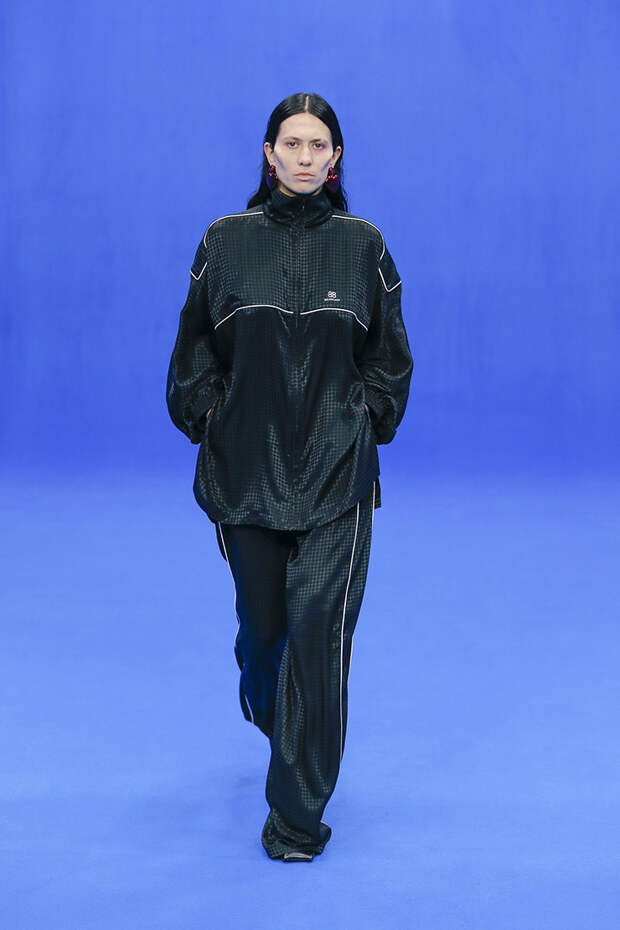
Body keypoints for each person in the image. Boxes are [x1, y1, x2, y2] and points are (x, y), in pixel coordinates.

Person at [166, 92, 413, 862]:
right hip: (246, 474)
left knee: (318, 639)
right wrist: (212, 416)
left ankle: (296, 821)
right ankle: (277, 716)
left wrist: (365, 418)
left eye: (319, 145)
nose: (305, 156)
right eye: (292, 143)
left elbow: (390, 361)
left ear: (335, 158)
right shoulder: (226, 242)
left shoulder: (363, 247)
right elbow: (193, 354)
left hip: (339, 478)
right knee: (266, 640)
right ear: (269, 154)